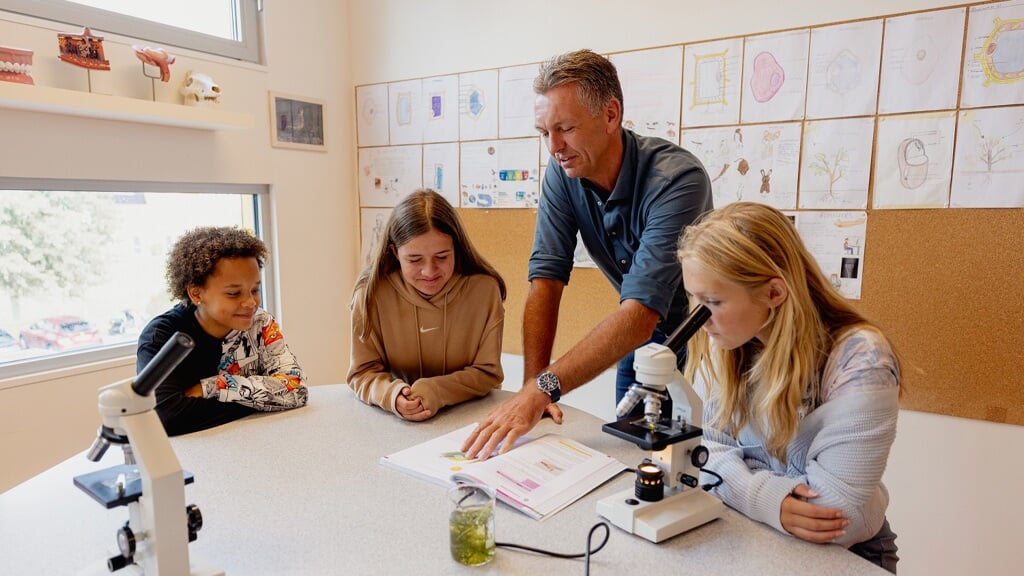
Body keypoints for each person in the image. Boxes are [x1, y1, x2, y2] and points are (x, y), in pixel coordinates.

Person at [463, 49, 712, 458]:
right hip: (641, 326)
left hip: (705, 331)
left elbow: (640, 316)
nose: (554, 146)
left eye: (565, 128)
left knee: (661, 455)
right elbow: (546, 279)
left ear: (610, 115)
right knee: (626, 442)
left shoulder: (678, 180)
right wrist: (535, 390)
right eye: (544, 132)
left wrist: (542, 389)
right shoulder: (564, 173)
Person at [679, 202, 900, 573]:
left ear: (774, 293)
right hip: (759, 537)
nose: (699, 319)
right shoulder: (728, 341)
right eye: (693, 299)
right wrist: (765, 497)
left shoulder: (861, 360)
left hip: (848, 557)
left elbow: (834, 512)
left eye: (712, 302)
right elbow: (698, 453)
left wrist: (738, 478)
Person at [348, 189, 506, 421]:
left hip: (472, 419)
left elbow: (488, 373)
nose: (429, 271)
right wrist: (393, 395)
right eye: (414, 260)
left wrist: (437, 390)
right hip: (393, 423)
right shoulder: (369, 294)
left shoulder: (484, 291)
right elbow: (362, 373)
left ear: (456, 249)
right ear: (394, 253)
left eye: (442, 257)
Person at [137, 227, 308, 436]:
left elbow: (297, 390)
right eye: (234, 293)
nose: (251, 303)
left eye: (255, 290)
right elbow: (168, 418)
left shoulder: (261, 324)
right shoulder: (162, 336)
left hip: (255, 442)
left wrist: (214, 386)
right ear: (196, 293)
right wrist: (264, 398)